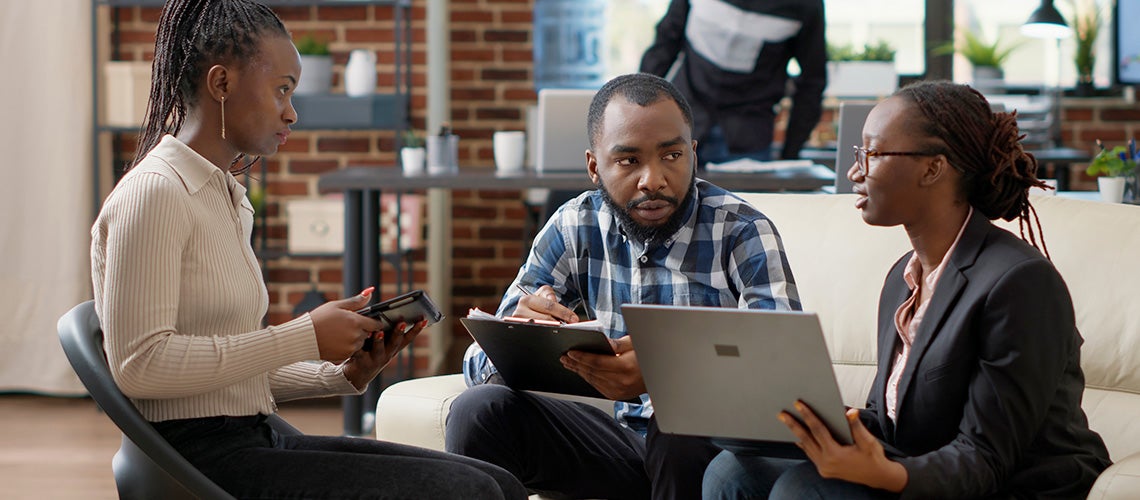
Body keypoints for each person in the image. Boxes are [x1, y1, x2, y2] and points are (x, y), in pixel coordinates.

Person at [89, 1, 526, 498]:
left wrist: (337, 376)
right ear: (221, 84)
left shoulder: (222, 195)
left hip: (251, 436)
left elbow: (227, 372)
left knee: (500, 483)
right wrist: (301, 336)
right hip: (195, 457)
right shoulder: (155, 193)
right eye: (282, 89)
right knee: (474, 492)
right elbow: (140, 366)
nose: (291, 111)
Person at [702, 81, 1112, 499]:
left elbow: (987, 456)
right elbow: (892, 419)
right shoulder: (904, 278)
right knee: (732, 471)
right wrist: (803, 423)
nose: (854, 171)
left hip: (1009, 484)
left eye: (872, 153)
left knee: (802, 489)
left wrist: (882, 473)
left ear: (933, 168)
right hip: (924, 464)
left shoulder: (1020, 282)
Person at [445, 73, 801, 499]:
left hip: (709, 451)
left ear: (693, 154)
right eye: (629, 161)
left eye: (671, 155)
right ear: (595, 167)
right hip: (618, 441)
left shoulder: (742, 231)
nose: (653, 179)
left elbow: (784, 370)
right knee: (479, 410)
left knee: (678, 419)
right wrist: (518, 341)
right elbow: (478, 361)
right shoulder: (573, 225)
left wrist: (663, 372)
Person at [639, 0, 827, 165]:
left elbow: (812, 81)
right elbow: (663, 48)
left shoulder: (806, 5)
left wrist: (790, 153)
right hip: (681, 127)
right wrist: (639, 118)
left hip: (749, 141)